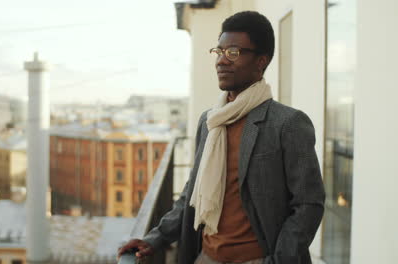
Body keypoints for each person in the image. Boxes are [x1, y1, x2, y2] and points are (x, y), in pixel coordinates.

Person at [117, 11, 325, 264]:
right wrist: (154, 238)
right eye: (219, 52)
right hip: (206, 256)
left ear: (261, 61)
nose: (221, 61)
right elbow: (192, 193)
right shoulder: (210, 121)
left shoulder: (287, 123)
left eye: (233, 53)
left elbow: (308, 204)